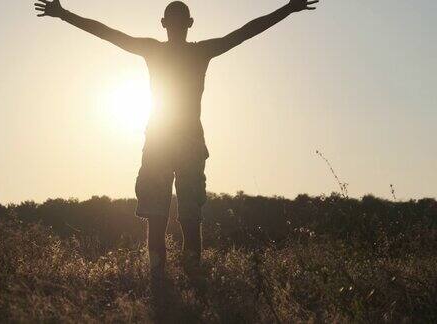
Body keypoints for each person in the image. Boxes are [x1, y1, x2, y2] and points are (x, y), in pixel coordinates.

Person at [34, 0, 319, 281]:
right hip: (183, 143)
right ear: (189, 24)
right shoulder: (199, 51)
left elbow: (108, 33)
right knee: (188, 214)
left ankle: (162, 274)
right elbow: (244, 32)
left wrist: (64, 14)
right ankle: (188, 271)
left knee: (164, 214)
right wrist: (288, 8)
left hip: (164, 142)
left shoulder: (156, 50)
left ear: (164, 24)